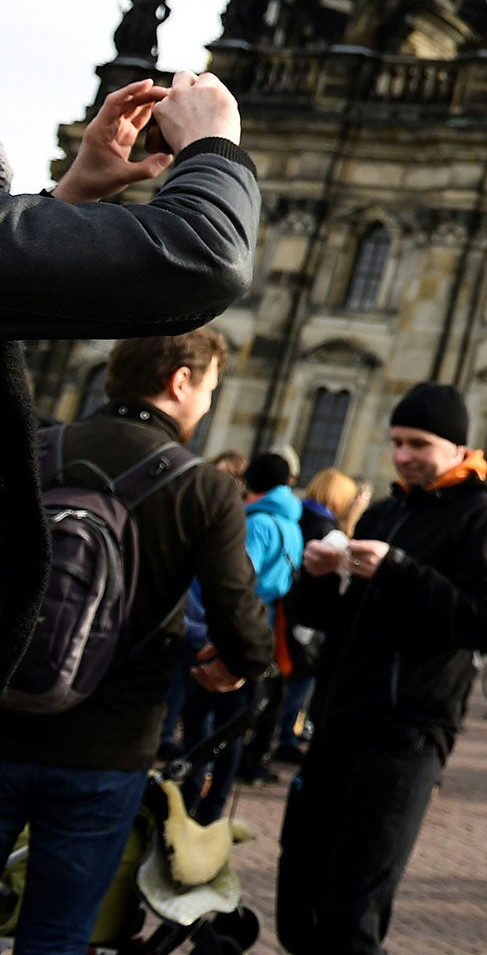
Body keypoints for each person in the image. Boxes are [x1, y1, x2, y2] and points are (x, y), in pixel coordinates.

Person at [0, 328, 272, 955]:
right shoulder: (204, 487)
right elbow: (242, 624)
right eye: (209, 388)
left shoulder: (34, 451)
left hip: (3, 714)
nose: (206, 404)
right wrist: (232, 664)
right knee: (60, 932)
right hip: (108, 740)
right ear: (181, 382)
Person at [1, 71, 261, 687]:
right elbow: (202, 256)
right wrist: (214, 147)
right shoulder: (203, 487)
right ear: (181, 382)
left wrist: (64, 207)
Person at [274, 382, 487, 955]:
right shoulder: (385, 509)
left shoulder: (483, 519)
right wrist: (312, 576)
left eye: (418, 443)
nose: (403, 455)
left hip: (405, 734)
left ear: (457, 447)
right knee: (296, 905)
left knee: (349, 916)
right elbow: (332, 619)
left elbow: (483, 621)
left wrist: (400, 569)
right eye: (396, 442)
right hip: (338, 725)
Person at [183, 449, 304, 814]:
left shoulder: (259, 522)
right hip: (263, 625)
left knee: (203, 718)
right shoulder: (291, 523)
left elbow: (234, 577)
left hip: (233, 626)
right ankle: (215, 801)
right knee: (233, 722)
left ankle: (196, 797)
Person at [275, 468, 362, 761]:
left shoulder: (297, 516)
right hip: (312, 617)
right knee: (301, 679)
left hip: (285, 606)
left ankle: (275, 734)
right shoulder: (328, 530)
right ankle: (285, 736)